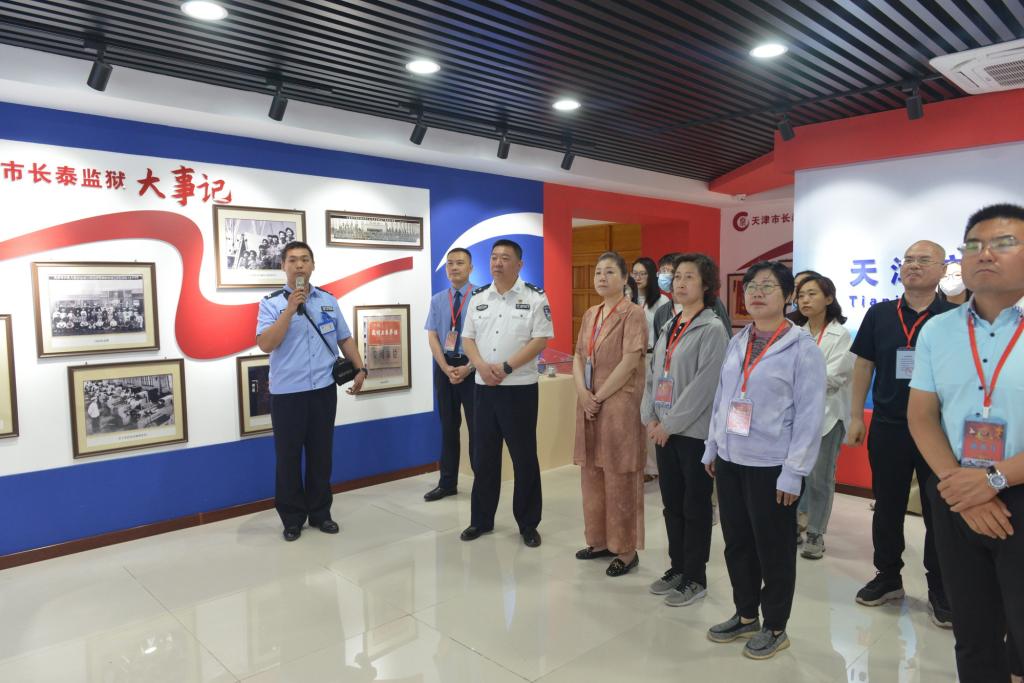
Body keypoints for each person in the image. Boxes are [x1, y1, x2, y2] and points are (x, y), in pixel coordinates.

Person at [908, 204, 1024, 683]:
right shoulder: (938, 330)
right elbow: (921, 415)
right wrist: (961, 486)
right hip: (955, 491)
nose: (985, 254)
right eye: (973, 245)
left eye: (1003, 243)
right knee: (973, 632)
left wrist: (991, 480)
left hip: (1014, 488)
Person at [702, 261, 825, 660]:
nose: (756, 292)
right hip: (731, 458)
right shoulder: (739, 339)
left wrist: (794, 472)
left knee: (773, 548)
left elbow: (810, 416)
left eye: (768, 286)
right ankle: (744, 615)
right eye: (751, 286)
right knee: (737, 543)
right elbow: (723, 398)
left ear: (788, 296)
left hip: (772, 465)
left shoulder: (803, 348)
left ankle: (775, 625)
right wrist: (712, 446)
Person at [847, 240, 957, 625]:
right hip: (889, 425)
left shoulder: (955, 317)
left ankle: (940, 586)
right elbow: (864, 366)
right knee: (887, 505)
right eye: (908, 259)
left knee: (939, 510)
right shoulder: (879, 314)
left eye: (924, 260)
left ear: (942, 270)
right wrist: (856, 416)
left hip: (939, 432)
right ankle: (887, 576)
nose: (913, 265)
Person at [256, 240, 367, 542]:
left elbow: (344, 338)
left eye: (305, 259)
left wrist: (360, 368)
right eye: (292, 260)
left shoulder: (328, 300)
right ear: (283, 266)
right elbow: (266, 343)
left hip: (322, 390)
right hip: (287, 394)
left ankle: (320, 513)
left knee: (321, 455)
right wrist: (290, 310)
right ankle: (292, 518)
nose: (299, 265)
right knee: (288, 458)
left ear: (313, 265)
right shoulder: (270, 303)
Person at [642, 253, 728, 605]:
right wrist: (650, 416)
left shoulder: (713, 329)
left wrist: (670, 424)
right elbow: (654, 374)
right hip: (664, 429)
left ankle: (695, 577)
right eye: (677, 276)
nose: (680, 282)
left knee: (695, 507)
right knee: (671, 504)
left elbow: (704, 387)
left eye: (689, 277)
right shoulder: (670, 323)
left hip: (692, 433)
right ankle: (677, 567)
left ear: (706, 285)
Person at [460, 239, 553, 547]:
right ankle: (481, 520)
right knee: (484, 457)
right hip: (484, 388)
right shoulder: (478, 297)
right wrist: (481, 367)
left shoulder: (535, 297)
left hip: (519, 390)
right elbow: (468, 339)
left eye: (505, 258)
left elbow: (540, 339)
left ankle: (528, 523)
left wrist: (507, 367)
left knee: (524, 458)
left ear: (519, 264)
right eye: (494, 258)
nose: (498, 263)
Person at [572, 251, 648, 576]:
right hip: (589, 401)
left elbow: (630, 362)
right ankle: (599, 540)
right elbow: (578, 356)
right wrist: (582, 392)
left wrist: (598, 396)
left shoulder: (633, 314)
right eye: (598, 272)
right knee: (592, 473)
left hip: (618, 404)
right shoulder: (591, 313)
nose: (602, 278)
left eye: (609, 272)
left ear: (624, 278)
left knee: (619, 475)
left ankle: (626, 550)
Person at [791, 274, 854, 559]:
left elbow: (834, 377)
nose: (804, 300)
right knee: (795, 473)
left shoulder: (841, 335)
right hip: (797, 415)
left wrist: (796, 378)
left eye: (812, 294)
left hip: (828, 415)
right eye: (801, 295)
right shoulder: (795, 331)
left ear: (828, 298)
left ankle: (816, 531)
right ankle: (796, 523)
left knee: (820, 478)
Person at [423, 248, 476, 502]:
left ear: (471, 268)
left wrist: (470, 367)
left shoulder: (481, 297)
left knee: (478, 428)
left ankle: (482, 482)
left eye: (460, 263)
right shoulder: (437, 300)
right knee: (448, 427)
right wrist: (445, 367)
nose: (454, 267)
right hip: (445, 367)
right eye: (450, 264)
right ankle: (447, 483)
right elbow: (433, 335)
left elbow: (486, 337)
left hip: (472, 368)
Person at [632, 256, 671, 484]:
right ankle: (638, 462)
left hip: (651, 357)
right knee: (633, 414)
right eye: (635, 273)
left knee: (649, 410)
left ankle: (652, 467)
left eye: (642, 273)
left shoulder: (662, 302)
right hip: (630, 359)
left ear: (652, 276)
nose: (638, 278)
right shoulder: (629, 298)